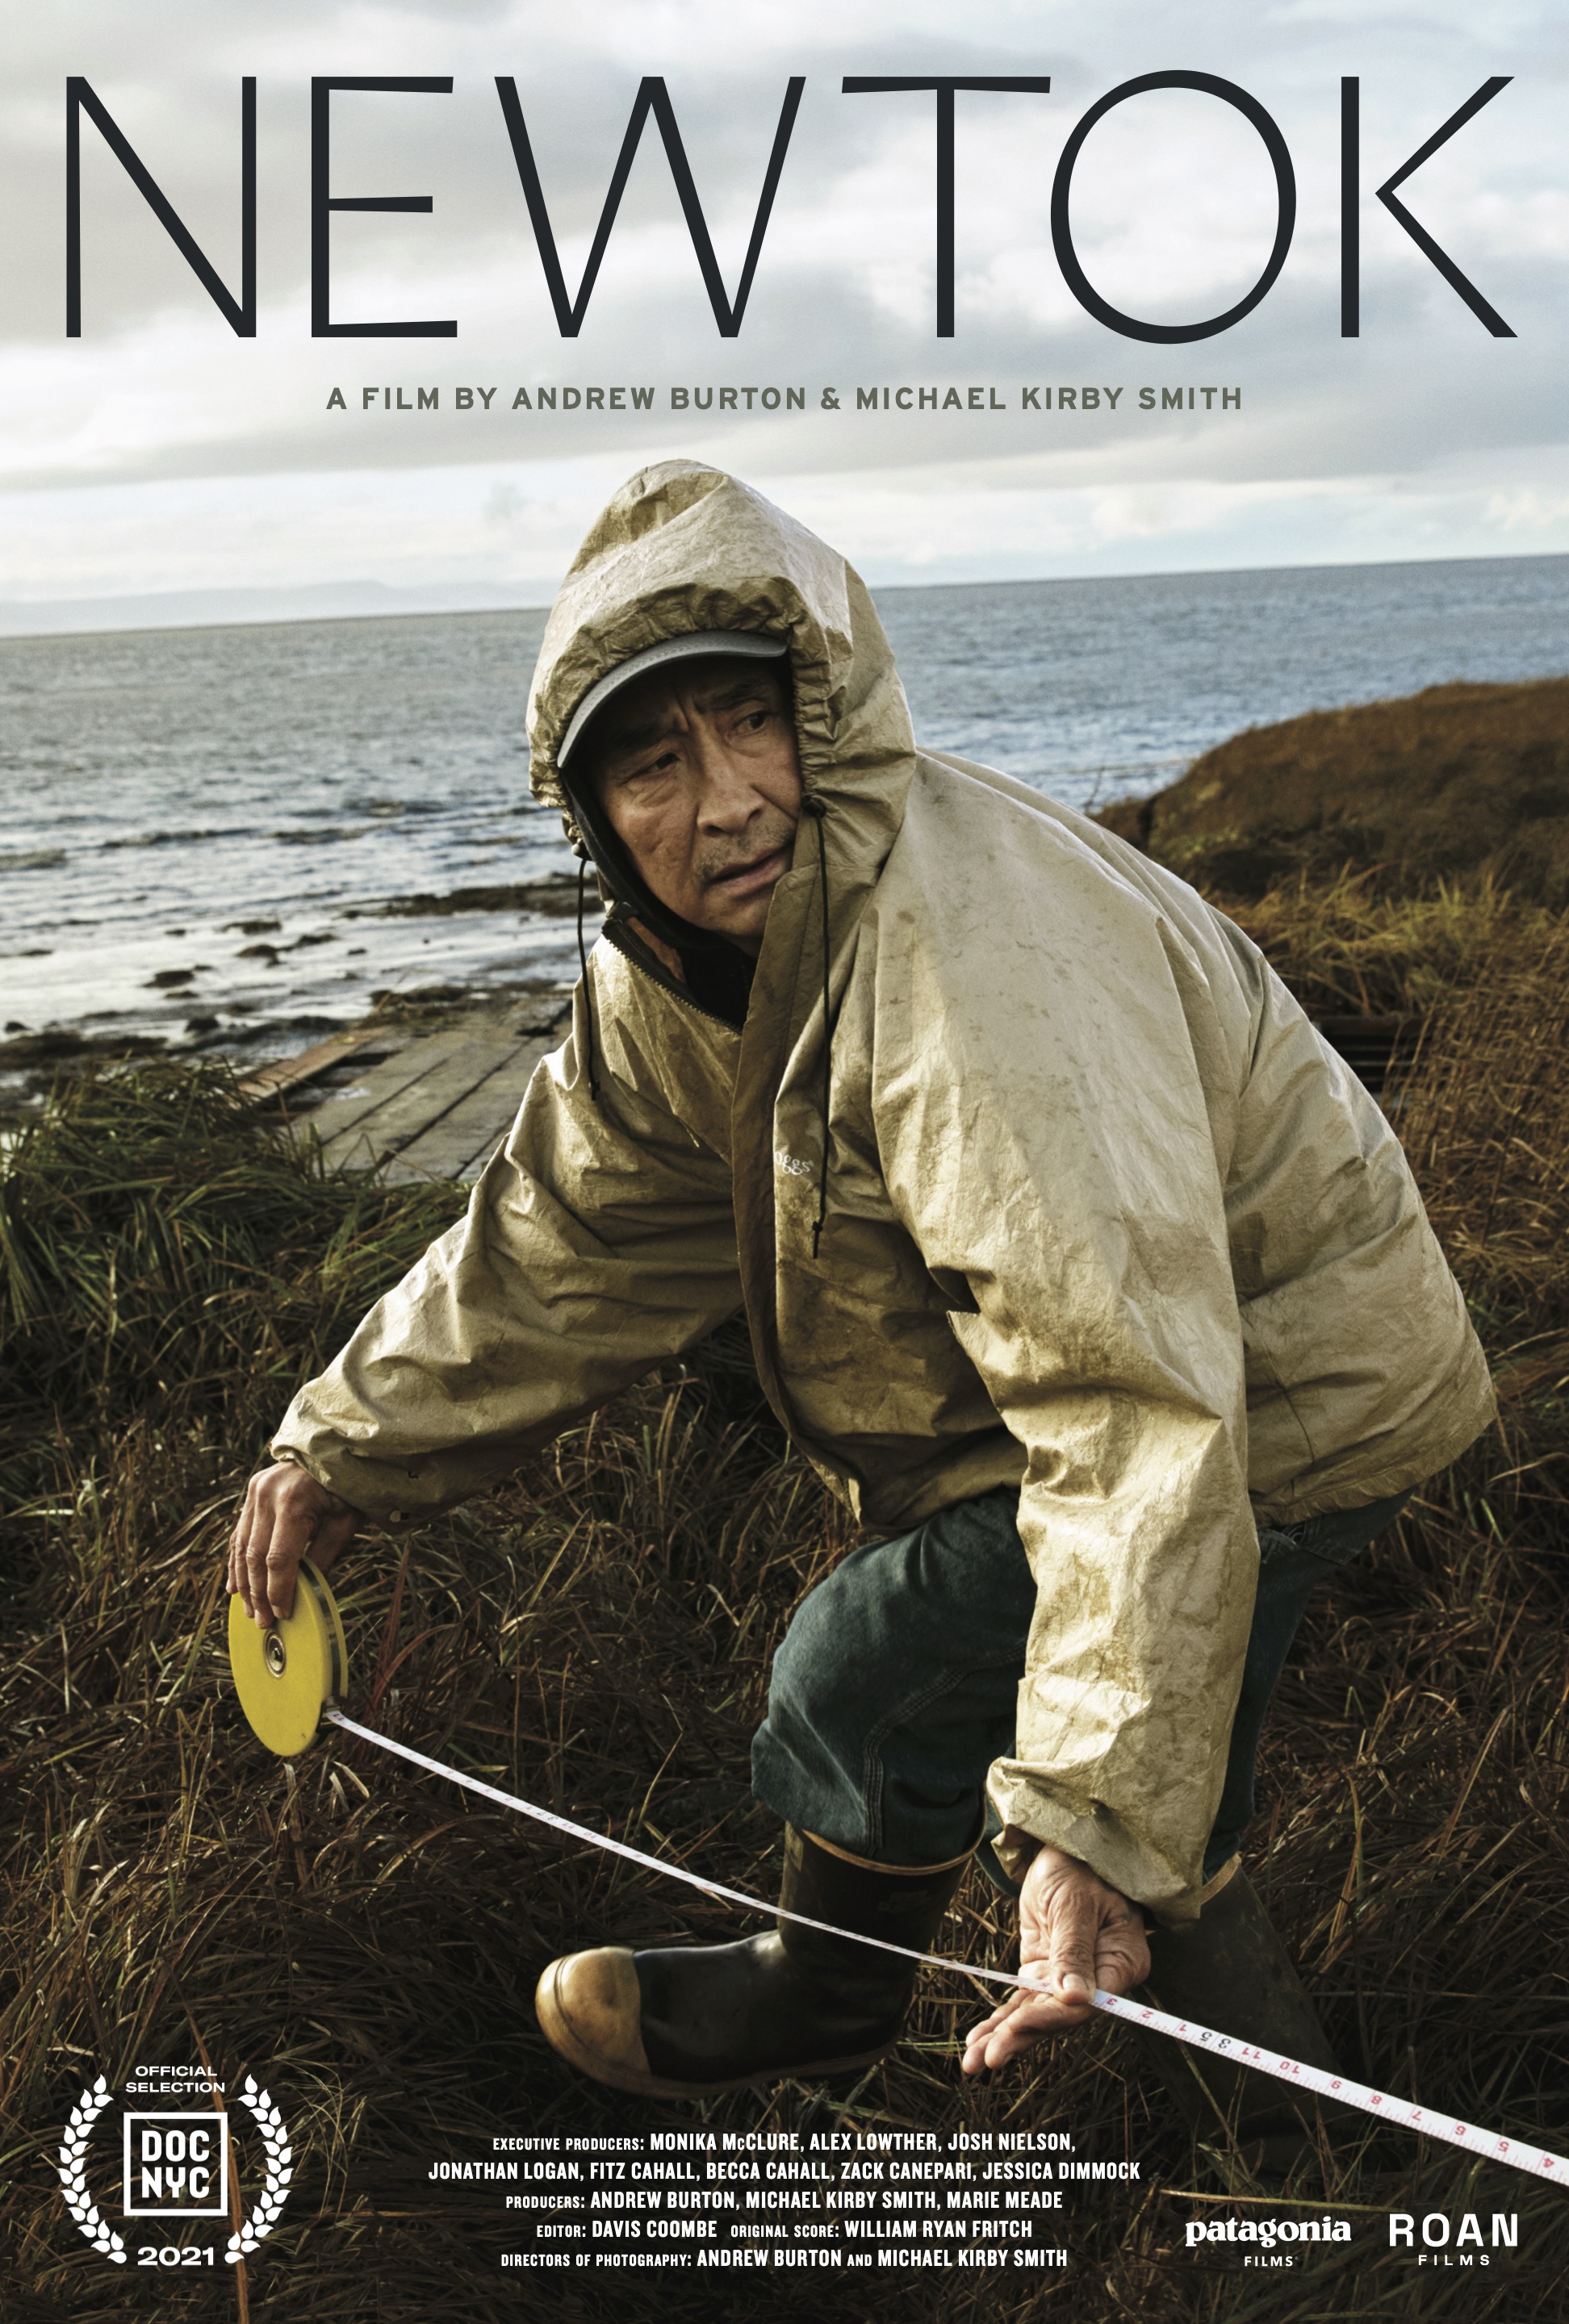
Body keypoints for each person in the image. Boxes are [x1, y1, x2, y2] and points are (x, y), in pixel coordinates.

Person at [230, 464, 1492, 2149]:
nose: (729, 799)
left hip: (1288, 1386)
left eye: (753, 723)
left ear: (827, 710)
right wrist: (337, 1448)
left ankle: (861, 2009)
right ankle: (1295, 2167)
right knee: (1118, 1786)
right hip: (1090, 1399)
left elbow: (1133, 1402)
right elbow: (565, 1241)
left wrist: (1097, 1812)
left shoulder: (975, 968)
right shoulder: (670, 979)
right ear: (592, 806)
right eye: (654, 759)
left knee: (882, 1672)